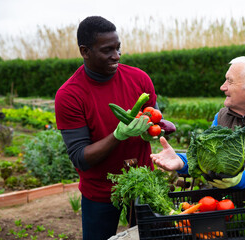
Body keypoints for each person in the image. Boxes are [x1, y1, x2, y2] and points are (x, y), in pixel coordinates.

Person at [151, 56, 245, 220]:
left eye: (229, 82)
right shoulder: (223, 116)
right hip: (224, 215)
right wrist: (181, 161)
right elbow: (206, 159)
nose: (222, 87)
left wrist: (236, 180)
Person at [55, 16, 158, 240]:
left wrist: (159, 127)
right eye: (107, 50)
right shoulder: (70, 95)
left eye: (118, 47)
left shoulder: (139, 78)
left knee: (150, 237)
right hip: (100, 191)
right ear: (85, 51)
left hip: (143, 182)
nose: (116, 56)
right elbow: (80, 157)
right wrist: (118, 135)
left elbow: (155, 120)